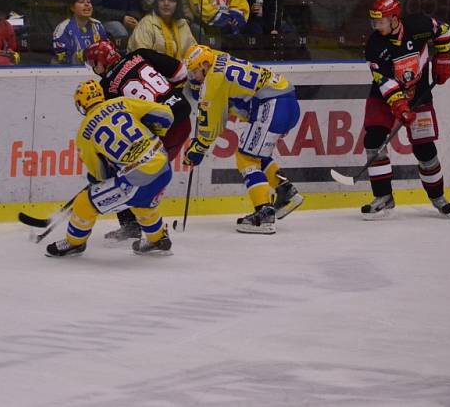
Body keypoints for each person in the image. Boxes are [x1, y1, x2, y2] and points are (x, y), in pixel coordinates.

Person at [45, 79, 174, 257]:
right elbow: (165, 115)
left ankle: (74, 243)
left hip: (138, 177)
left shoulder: (84, 133)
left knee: (84, 202)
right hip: (164, 166)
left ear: (81, 104)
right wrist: (155, 133)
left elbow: (100, 174)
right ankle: (157, 239)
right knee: (140, 200)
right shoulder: (122, 102)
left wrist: (106, 175)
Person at [182, 44, 303, 233]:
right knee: (256, 153)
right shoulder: (218, 56)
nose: (193, 78)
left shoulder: (213, 81)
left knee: (245, 157)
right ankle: (286, 191)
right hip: (287, 99)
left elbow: (211, 127)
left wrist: (197, 149)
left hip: (271, 105)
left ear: (205, 65)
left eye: (195, 72)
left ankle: (264, 213)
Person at [84, 39, 192, 241]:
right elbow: (180, 73)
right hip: (183, 120)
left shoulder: (106, 87)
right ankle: (148, 225)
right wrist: (169, 97)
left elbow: (118, 123)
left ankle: (135, 226)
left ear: (101, 62)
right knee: (145, 176)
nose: (94, 69)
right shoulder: (140, 54)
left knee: (125, 175)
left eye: (93, 64)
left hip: (161, 131)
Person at [360, 0, 450, 219]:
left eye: (380, 21)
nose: (376, 26)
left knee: (424, 148)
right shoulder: (374, 45)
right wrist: (400, 105)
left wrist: (443, 59)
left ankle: (437, 197)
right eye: (374, 22)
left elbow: (444, 30)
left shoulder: (418, 26)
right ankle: (384, 197)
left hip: (419, 95)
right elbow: (384, 81)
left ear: (394, 18)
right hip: (384, 98)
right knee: (373, 139)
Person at [128, 0, 197, 60]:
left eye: (171, 0)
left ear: (177, 5)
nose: (166, 3)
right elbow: (141, 57)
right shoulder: (146, 23)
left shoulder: (182, 24)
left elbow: (194, 53)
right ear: (156, 3)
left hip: (180, 70)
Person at [51, 0, 109, 65]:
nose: (87, 4)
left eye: (89, 2)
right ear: (72, 8)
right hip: (71, 71)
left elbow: (106, 50)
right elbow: (61, 58)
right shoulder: (63, 28)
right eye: (81, 2)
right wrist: (83, 55)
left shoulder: (98, 25)